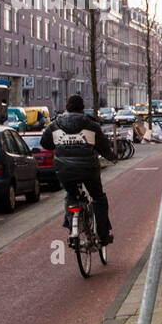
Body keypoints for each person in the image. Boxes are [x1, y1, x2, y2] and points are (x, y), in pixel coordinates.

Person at [42, 94, 117, 245]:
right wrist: (113, 157)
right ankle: (103, 235)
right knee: (98, 198)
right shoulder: (91, 125)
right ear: (82, 108)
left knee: (71, 195)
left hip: (63, 169)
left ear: (66, 107)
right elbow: (103, 147)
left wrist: (59, 145)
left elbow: (45, 143)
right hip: (88, 168)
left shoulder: (55, 125)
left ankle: (72, 228)